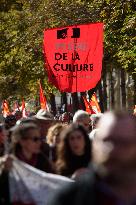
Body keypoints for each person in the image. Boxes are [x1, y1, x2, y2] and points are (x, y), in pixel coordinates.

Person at [49, 112, 136, 205]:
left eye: (124, 142)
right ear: (95, 143)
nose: (113, 149)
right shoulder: (70, 198)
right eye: (107, 140)